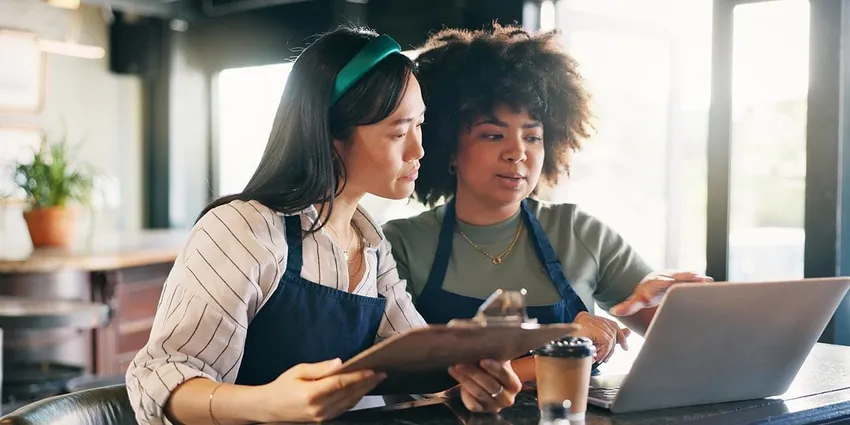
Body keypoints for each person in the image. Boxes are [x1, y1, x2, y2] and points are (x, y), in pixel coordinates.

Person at [126, 27, 522, 425]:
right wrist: (266, 404)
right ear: (333, 134)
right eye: (399, 131)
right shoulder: (242, 230)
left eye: (419, 126)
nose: (418, 150)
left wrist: (471, 384)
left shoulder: (370, 245)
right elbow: (158, 378)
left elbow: (420, 365)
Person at [382, 24, 712, 382]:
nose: (517, 153)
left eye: (533, 136)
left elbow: (698, 350)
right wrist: (566, 343)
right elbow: (408, 376)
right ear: (449, 151)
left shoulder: (579, 232)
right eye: (493, 135)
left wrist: (679, 309)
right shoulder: (398, 244)